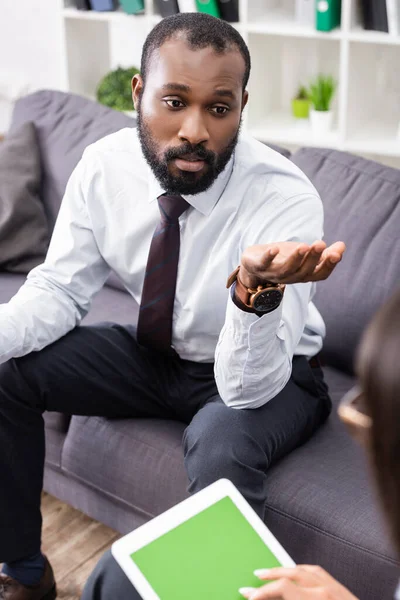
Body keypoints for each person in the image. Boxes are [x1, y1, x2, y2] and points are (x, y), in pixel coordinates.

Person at [0, 12, 345, 600]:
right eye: (175, 100)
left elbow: (244, 390)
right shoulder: (103, 167)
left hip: (272, 375)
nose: (195, 130)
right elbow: (60, 289)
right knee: (9, 374)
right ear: (139, 93)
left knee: (221, 445)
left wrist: (251, 293)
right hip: (154, 355)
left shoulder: (284, 199)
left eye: (219, 107)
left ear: (240, 106)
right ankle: (23, 573)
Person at [81, 289, 400, 600]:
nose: (362, 432)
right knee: (118, 575)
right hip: (188, 356)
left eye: (370, 411)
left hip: (276, 369)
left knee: (219, 440)